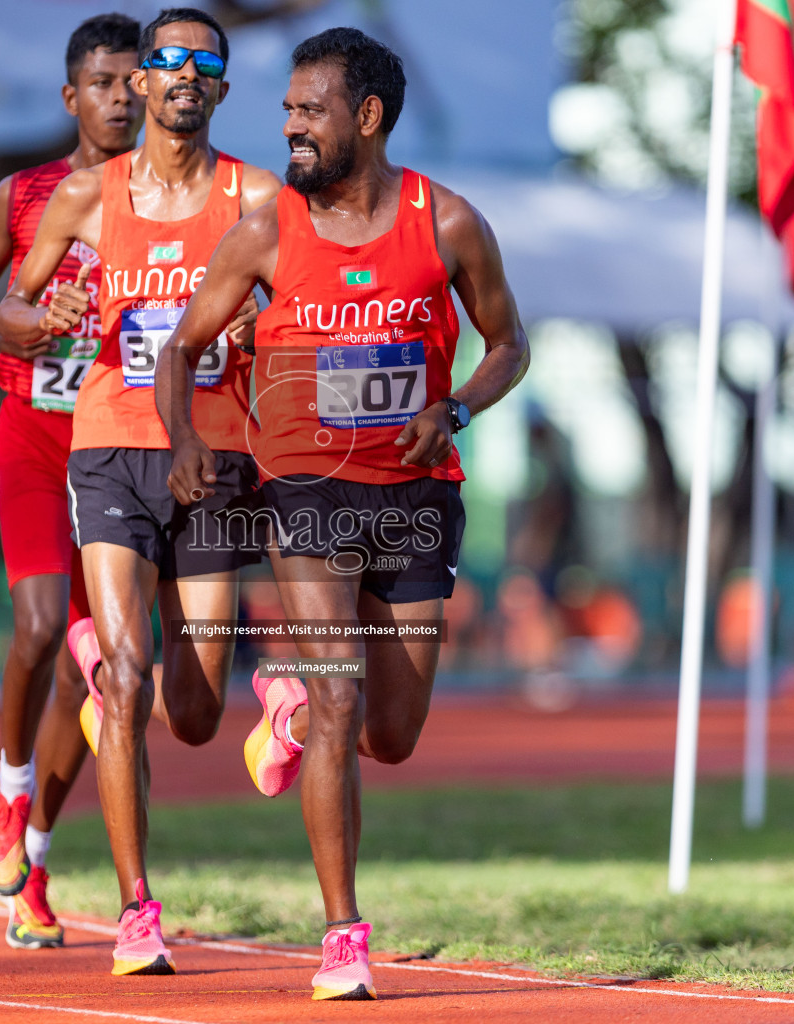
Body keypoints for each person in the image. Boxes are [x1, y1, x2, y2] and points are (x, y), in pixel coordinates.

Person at [156, 26, 529, 1001]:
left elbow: (509, 344)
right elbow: (180, 348)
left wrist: (456, 407)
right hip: (306, 493)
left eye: (308, 109)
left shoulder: (446, 225)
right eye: (286, 110)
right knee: (340, 696)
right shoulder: (269, 230)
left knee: (392, 732)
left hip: (415, 498)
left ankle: (285, 700)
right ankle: (343, 934)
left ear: (366, 116)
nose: (290, 127)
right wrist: (189, 443)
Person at [0, 7, 280, 977]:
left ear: (221, 90)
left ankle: (245, 701)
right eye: (168, 61)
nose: (185, 73)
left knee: (194, 712)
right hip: (111, 448)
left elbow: (304, 304)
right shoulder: (86, 195)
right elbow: (14, 304)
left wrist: (257, 333)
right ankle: (134, 908)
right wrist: (53, 311)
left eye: (206, 62)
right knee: (123, 673)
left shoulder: (255, 194)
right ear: (142, 86)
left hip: (214, 459)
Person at [0, 13, 141, 951]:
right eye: (102, 82)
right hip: (34, 434)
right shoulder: (27, 194)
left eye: (132, 81)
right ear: (72, 96)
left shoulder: (172, 203)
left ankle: (35, 854)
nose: (120, 97)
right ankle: (8, 789)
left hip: (120, 445)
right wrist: (12, 329)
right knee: (37, 623)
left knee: (91, 667)